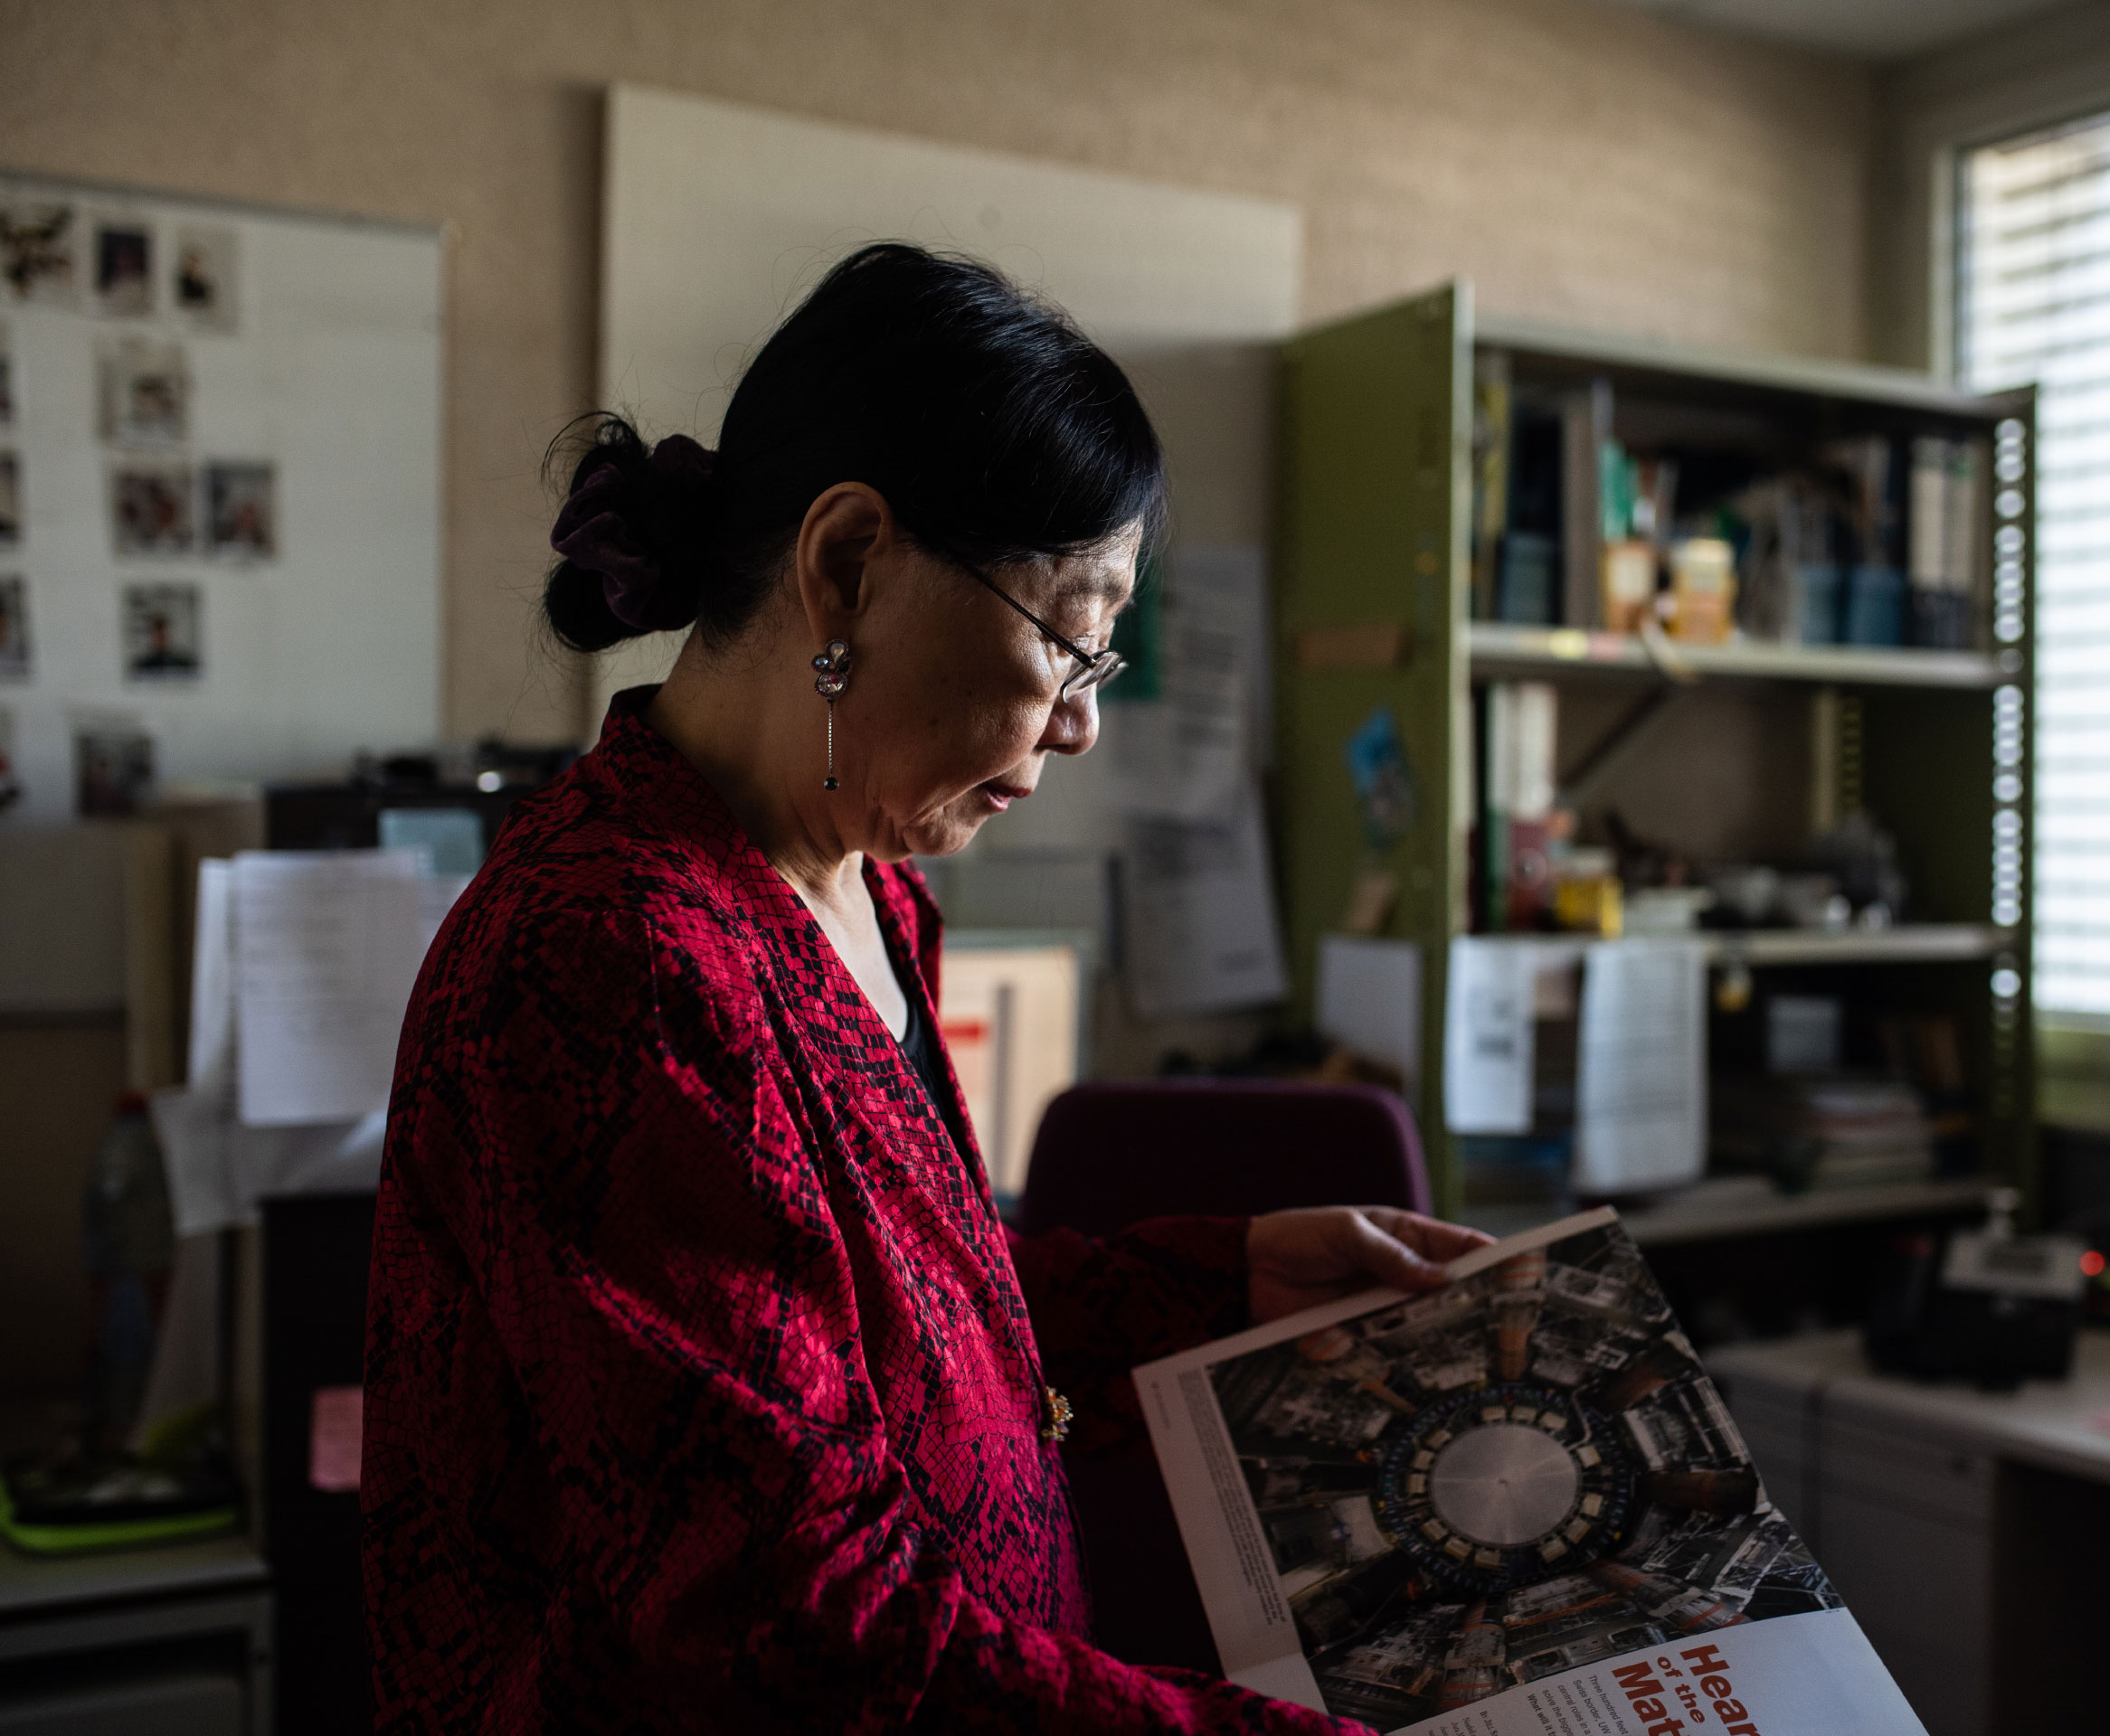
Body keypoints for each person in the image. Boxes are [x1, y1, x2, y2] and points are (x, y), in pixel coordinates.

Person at [363, 242, 1490, 1732]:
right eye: (1068, 641)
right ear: (848, 565)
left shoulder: (868, 889)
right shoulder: (608, 959)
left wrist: (1212, 1288)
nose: (1082, 727)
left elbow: (864, 1326)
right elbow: (799, 1628)